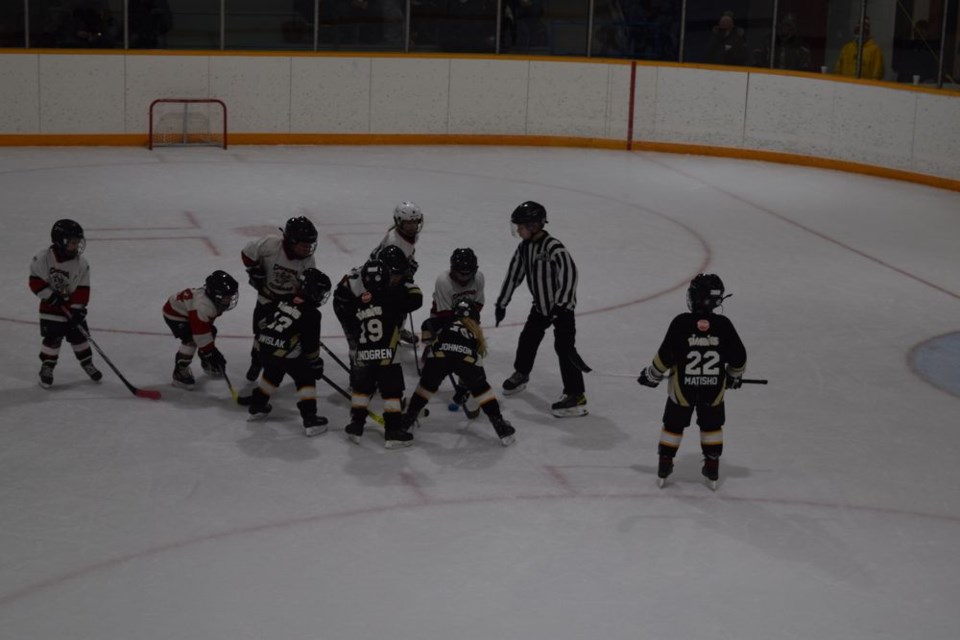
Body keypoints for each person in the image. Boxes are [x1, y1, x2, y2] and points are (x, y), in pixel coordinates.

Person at [637, 273, 747, 487]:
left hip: (682, 389)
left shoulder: (681, 323)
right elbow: (739, 358)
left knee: (673, 425)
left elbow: (664, 357)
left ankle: (665, 463)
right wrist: (733, 377)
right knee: (711, 426)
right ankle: (712, 466)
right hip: (713, 389)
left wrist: (652, 375)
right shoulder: (724, 325)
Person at [494, 201, 587, 418]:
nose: (518, 230)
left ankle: (576, 394)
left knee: (565, 348)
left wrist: (562, 305)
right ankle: (522, 373)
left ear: (535, 225)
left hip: (561, 308)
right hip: (541, 307)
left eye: (521, 226)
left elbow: (570, 275)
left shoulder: (554, 247)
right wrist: (502, 302)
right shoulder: (524, 248)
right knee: (528, 338)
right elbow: (514, 275)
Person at [333, 258, 424, 448]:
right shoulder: (393, 298)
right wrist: (406, 280)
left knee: (362, 390)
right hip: (387, 356)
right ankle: (392, 432)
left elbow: (349, 317)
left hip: (364, 356)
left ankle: (356, 425)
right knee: (392, 393)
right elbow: (416, 300)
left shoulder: (357, 302)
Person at [401, 299, 515, 445]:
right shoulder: (475, 333)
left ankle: (407, 421)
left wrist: (430, 341)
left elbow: (426, 325)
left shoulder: (446, 321)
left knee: (426, 387)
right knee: (482, 390)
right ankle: (501, 427)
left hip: (440, 355)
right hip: (466, 358)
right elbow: (478, 372)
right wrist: (464, 390)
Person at [242, 268, 333, 437]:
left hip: (264, 349)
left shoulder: (284, 298)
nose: (321, 296)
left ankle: (257, 405)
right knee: (305, 377)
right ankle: (310, 418)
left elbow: (263, 321)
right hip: (285, 353)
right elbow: (310, 346)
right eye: (320, 292)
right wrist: (315, 363)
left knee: (272, 371)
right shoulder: (312, 314)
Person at [241, 216, 318, 382]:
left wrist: (300, 300)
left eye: (310, 245)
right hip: (266, 299)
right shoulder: (270, 245)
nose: (308, 249)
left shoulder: (308, 261)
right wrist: (254, 269)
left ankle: (296, 366)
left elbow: (305, 288)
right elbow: (248, 253)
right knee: (260, 334)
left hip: (288, 305)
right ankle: (256, 361)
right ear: (291, 241)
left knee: (293, 336)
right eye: (304, 245)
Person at [28, 219, 102, 389]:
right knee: (52, 339)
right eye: (72, 242)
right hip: (50, 309)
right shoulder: (43, 259)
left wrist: (78, 309)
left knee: (80, 338)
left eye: (78, 242)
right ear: (60, 241)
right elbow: (35, 281)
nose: (76, 246)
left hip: (71, 308)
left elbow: (83, 289)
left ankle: (87, 363)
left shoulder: (81, 264)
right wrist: (50, 296)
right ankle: (47, 367)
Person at [420, 247, 485, 416]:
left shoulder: (479, 278)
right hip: (442, 317)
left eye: (467, 274)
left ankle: (464, 387)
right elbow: (445, 315)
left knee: (470, 354)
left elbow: (478, 304)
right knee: (442, 352)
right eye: (460, 274)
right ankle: (431, 353)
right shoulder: (443, 281)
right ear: (452, 270)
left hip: (469, 320)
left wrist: (469, 328)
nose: (464, 278)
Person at [162, 270, 239, 389]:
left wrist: (210, 352)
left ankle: (206, 361)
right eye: (226, 297)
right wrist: (211, 353)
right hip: (175, 315)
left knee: (210, 332)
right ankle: (180, 372)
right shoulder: (203, 306)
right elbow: (200, 335)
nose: (229, 300)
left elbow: (205, 329)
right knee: (191, 339)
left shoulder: (212, 302)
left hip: (189, 313)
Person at [371, 201, 423, 345]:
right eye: (408, 223)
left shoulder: (406, 236)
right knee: (397, 301)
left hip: (392, 273)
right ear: (399, 222)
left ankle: (398, 329)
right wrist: (406, 271)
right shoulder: (394, 241)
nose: (412, 226)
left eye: (415, 222)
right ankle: (391, 331)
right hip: (383, 278)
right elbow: (390, 266)